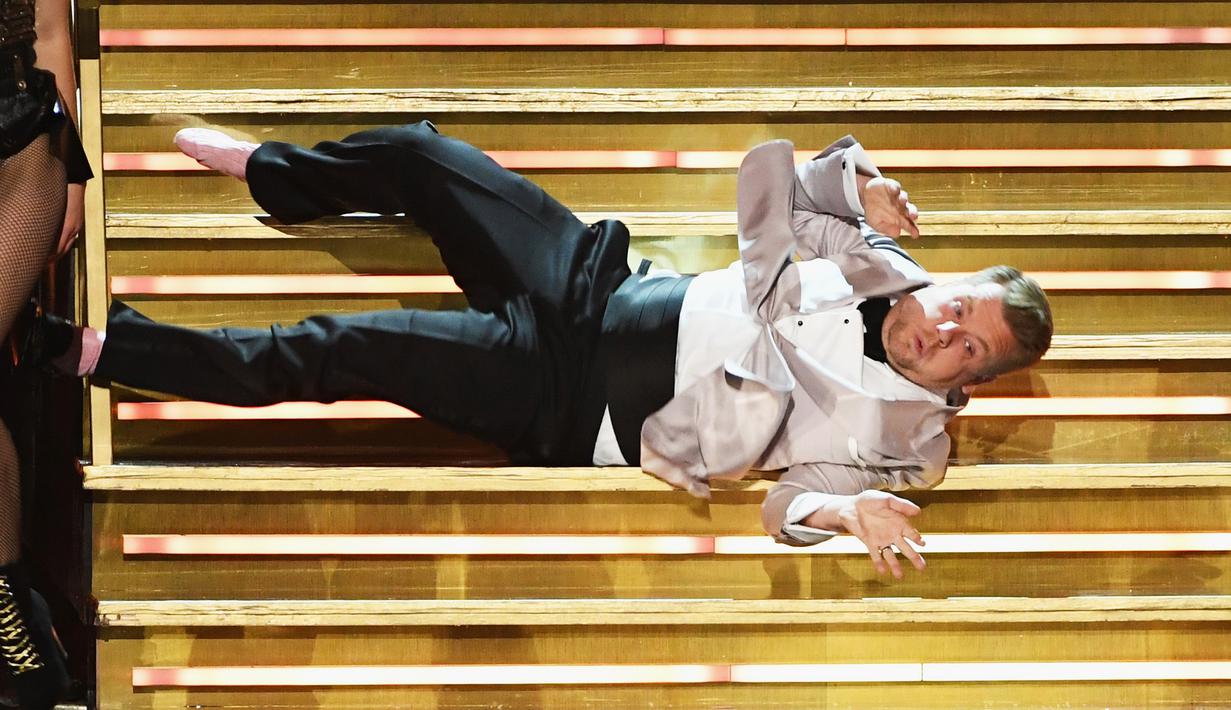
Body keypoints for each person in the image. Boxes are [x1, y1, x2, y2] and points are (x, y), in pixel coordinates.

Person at [30, 122, 1051, 582]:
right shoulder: (879, 262)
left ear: (971, 381)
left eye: (966, 348)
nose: (942, 331)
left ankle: (108, 351)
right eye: (956, 304)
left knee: (341, 348)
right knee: (425, 157)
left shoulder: (903, 447)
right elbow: (781, 187)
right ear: (948, 276)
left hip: (575, 397)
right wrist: (851, 184)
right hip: (596, 282)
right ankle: (276, 173)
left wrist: (845, 513)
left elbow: (783, 508)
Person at [1, 0, 93, 705]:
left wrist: (74, 177)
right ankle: (13, 608)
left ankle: (13, 618)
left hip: (19, 143)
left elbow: (52, 27)